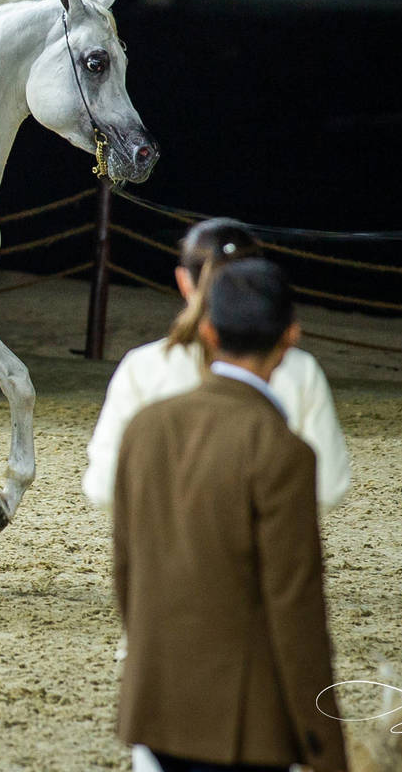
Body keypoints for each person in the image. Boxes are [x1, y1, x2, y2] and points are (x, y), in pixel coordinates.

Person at [113, 258, 348, 772]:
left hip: (155, 706)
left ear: (208, 331)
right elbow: (295, 605)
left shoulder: (146, 427)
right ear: (290, 337)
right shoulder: (283, 451)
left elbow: (127, 573)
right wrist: (324, 743)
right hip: (246, 720)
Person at [83, 217, 349, 511]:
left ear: (183, 280)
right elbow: (328, 487)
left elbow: (104, 486)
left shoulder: (143, 367)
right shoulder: (298, 369)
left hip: (163, 536)